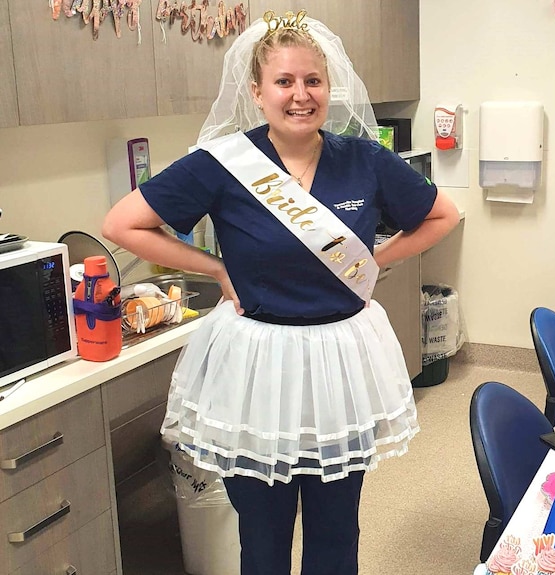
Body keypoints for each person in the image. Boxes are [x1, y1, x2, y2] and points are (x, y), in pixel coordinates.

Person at [103, 10, 459, 575]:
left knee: (336, 530)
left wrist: (375, 260)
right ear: (257, 91)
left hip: (340, 362)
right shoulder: (224, 163)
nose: (300, 95)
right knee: (263, 535)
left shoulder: (364, 158)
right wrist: (217, 270)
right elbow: (123, 224)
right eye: (285, 82)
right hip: (257, 365)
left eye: (312, 81)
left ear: (328, 85)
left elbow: (443, 214)